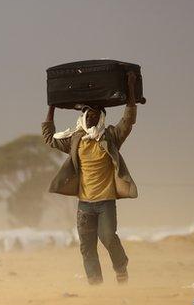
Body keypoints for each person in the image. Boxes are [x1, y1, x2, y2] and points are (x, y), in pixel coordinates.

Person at [41, 73, 139, 285]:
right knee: (86, 247)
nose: (92, 118)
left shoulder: (110, 136)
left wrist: (130, 88)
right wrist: (53, 106)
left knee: (108, 236)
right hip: (84, 204)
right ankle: (95, 284)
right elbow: (49, 138)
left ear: (101, 118)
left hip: (105, 202)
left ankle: (121, 268)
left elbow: (128, 121)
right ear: (83, 117)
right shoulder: (76, 140)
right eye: (88, 115)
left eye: (96, 116)